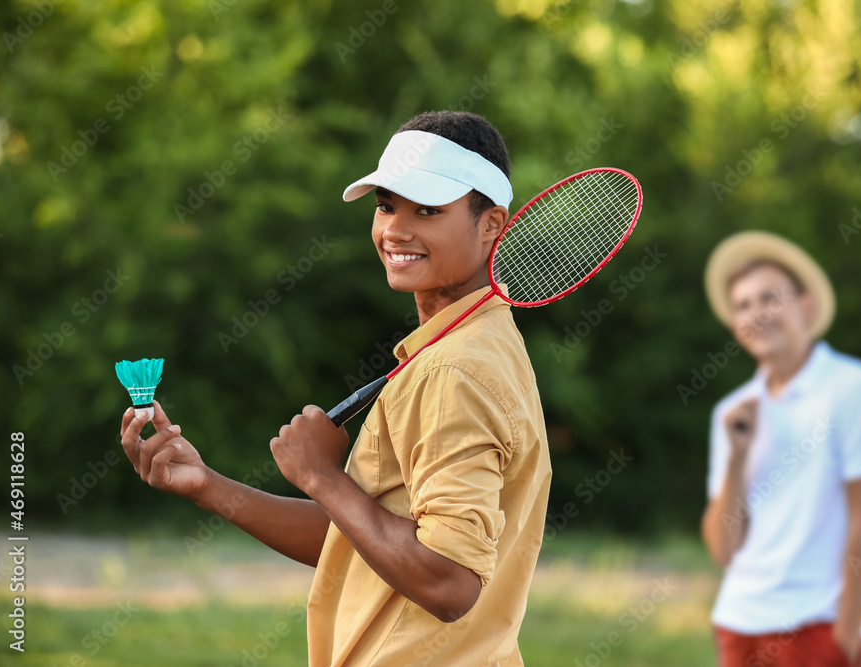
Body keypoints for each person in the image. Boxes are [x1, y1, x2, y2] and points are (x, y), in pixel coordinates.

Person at [119, 111, 552, 666]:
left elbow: (449, 583)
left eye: (427, 210)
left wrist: (321, 475)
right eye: (386, 205)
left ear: (491, 223)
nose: (396, 229)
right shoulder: (476, 343)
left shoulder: (454, 373)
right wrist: (206, 485)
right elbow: (365, 539)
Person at [699, 231, 861, 667]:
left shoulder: (853, 388)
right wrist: (736, 455)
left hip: (818, 625)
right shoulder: (731, 412)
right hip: (739, 621)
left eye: (770, 298)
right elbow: (723, 549)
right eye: (743, 305)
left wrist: (847, 633)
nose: (757, 313)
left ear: (806, 307)